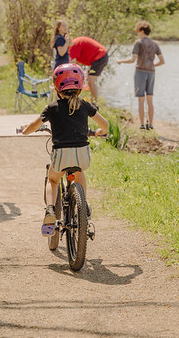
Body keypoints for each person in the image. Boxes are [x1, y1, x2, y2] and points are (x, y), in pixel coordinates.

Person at [19, 63, 109, 236]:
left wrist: (25, 130)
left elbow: (32, 126)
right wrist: (99, 132)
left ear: (56, 88)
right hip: (82, 155)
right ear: (80, 88)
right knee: (79, 171)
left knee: (52, 180)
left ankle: (50, 210)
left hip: (61, 156)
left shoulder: (52, 108)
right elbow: (105, 125)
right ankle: (83, 208)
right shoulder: (85, 105)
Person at [116, 20, 164, 130]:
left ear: (142, 31)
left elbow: (133, 59)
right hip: (151, 72)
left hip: (140, 72)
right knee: (150, 99)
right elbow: (162, 61)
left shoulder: (139, 43)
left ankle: (142, 124)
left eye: (137, 31)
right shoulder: (154, 44)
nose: (137, 33)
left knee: (141, 100)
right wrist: (152, 65)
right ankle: (151, 124)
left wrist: (121, 61)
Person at [68, 36, 108, 102]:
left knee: (91, 80)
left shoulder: (73, 46)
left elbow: (73, 65)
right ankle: (92, 100)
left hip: (100, 56)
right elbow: (77, 63)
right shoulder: (74, 45)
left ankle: (95, 102)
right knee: (90, 80)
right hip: (99, 57)